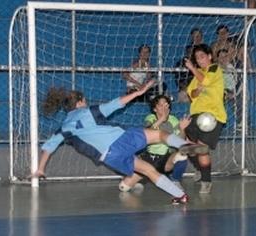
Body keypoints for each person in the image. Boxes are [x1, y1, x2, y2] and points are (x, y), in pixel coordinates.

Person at [31, 80, 209, 204]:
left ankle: (180, 196)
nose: (86, 102)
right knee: (160, 134)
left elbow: (48, 147)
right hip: (120, 140)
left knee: (147, 171)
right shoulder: (88, 112)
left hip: (109, 157)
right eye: (84, 100)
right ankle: (185, 146)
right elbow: (115, 104)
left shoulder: (64, 127)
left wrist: (40, 169)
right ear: (79, 103)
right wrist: (139, 92)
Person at [119, 95, 191, 192]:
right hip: (149, 158)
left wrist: (182, 129)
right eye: (160, 105)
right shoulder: (150, 118)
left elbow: (180, 141)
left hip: (166, 159)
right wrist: (162, 119)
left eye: (166, 105)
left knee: (182, 155)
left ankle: (175, 180)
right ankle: (140, 179)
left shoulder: (173, 120)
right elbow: (146, 132)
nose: (163, 107)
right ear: (154, 108)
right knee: (123, 187)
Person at [184, 44, 227, 194]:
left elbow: (206, 81)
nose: (199, 60)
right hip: (196, 115)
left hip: (212, 115)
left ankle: (206, 181)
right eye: (196, 58)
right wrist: (197, 88)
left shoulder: (214, 69)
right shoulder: (198, 75)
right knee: (187, 147)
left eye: (202, 57)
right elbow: (193, 94)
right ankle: (201, 170)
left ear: (209, 56)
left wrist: (192, 69)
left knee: (202, 148)